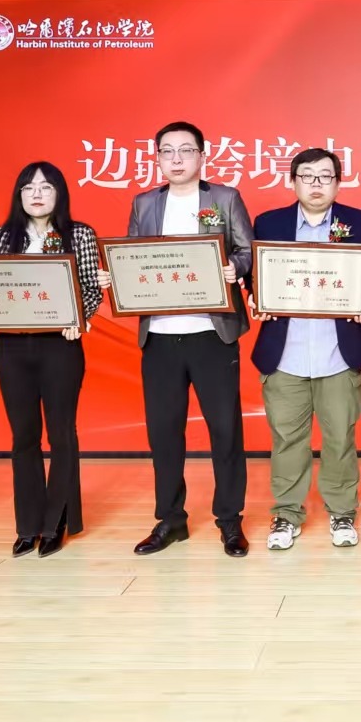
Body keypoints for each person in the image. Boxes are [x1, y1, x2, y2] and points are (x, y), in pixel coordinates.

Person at [122, 121, 254, 558]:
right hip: (160, 335)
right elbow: (131, 257)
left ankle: (230, 520)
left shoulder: (224, 198)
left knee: (225, 430)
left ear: (202, 155)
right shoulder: (144, 203)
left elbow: (246, 250)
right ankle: (170, 519)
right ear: (157, 158)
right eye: (167, 151)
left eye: (185, 150)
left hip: (211, 332)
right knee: (164, 432)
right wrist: (116, 275)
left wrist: (235, 268)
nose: (176, 159)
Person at [248, 148, 361, 551]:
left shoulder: (359, 222)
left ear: (338, 183)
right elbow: (256, 276)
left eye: (325, 176)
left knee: (340, 437)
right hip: (284, 352)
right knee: (287, 439)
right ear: (293, 182)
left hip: (337, 352)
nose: (316, 184)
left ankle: (342, 511)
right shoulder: (269, 222)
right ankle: (287, 514)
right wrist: (255, 297)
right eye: (307, 175)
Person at [0, 162, 104, 558]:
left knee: (61, 433)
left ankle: (56, 522)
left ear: (59, 194)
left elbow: (91, 287)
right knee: (23, 436)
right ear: (19, 194)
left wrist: (78, 319)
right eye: (29, 187)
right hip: (12, 347)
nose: (36, 194)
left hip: (60, 346)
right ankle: (27, 525)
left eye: (46, 187)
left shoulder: (79, 234)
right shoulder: (2, 236)